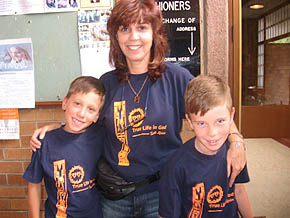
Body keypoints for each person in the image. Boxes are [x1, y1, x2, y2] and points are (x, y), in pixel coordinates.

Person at [29, 0, 246, 217]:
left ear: (155, 33)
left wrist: (236, 140)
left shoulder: (177, 78)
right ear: (116, 37)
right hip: (115, 195)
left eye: (142, 27)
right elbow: (87, 119)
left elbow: (215, 108)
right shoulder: (107, 83)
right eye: (125, 29)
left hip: (162, 191)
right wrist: (57, 127)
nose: (133, 37)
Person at [159, 75, 253, 218]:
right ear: (190, 121)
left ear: (231, 115)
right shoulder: (175, 166)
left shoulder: (234, 153)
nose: (212, 133)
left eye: (220, 121)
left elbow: (239, 191)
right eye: (201, 123)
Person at [23, 76, 106, 218]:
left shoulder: (101, 135)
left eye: (91, 109)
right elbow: (34, 184)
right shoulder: (44, 142)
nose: (81, 114)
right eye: (77, 104)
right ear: (65, 103)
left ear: (97, 116)